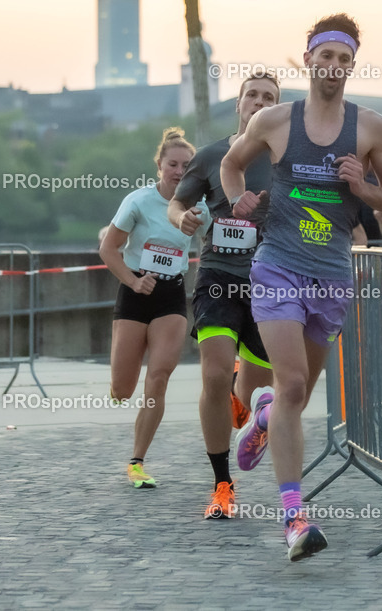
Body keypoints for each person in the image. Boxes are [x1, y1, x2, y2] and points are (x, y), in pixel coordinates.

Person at [220, 14, 382, 561]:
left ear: (352, 66)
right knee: (295, 383)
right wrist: (238, 200)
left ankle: (263, 417)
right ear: (308, 60)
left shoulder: (370, 128)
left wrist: (361, 185)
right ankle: (294, 518)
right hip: (277, 266)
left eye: (343, 60)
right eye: (324, 57)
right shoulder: (276, 122)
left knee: (293, 398)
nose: (333, 68)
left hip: (331, 276)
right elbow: (232, 166)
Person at [169, 71, 281, 519]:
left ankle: (245, 407)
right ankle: (222, 485)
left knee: (258, 398)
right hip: (217, 274)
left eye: (268, 97)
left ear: (276, 108)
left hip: (272, 282)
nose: (258, 101)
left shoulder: (287, 160)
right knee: (214, 375)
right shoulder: (214, 155)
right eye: (251, 94)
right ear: (238, 103)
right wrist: (183, 221)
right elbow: (177, 204)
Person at [99, 127, 211, 489]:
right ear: (159, 166)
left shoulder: (200, 207)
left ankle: (137, 461)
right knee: (122, 390)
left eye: (186, 165)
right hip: (134, 294)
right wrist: (133, 281)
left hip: (172, 297)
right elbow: (108, 250)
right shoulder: (138, 201)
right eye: (172, 164)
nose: (179, 171)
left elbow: (224, 233)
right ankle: (117, 388)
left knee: (159, 377)